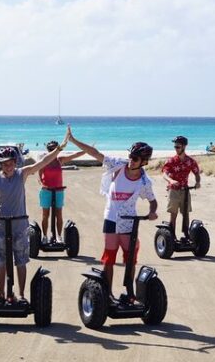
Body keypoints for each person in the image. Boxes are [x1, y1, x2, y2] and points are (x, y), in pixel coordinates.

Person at [67, 126, 157, 300]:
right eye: (130, 156)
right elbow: (95, 153)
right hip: (111, 218)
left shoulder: (145, 182)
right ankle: (106, 294)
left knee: (130, 259)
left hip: (129, 222)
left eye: (135, 158)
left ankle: (129, 292)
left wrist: (152, 212)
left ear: (144, 161)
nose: (131, 160)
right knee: (109, 258)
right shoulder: (118, 166)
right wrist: (74, 140)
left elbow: (153, 201)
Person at [0, 129, 69, 304]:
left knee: (21, 261)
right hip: (2, 224)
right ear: (0, 164)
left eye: (11, 163)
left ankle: (21, 295)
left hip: (20, 224)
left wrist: (58, 149)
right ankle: (1, 295)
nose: (8, 167)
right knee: (1, 262)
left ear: (15, 162)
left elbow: (43, 161)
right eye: (5, 164)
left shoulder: (22, 174)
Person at [38, 140, 86, 241]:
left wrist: (87, 150)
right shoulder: (44, 161)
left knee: (58, 214)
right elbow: (39, 175)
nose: (53, 151)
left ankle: (59, 236)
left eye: (55, 149)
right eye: (51, 149)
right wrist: (42, 184)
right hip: (46, 190)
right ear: (48, 150)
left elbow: (74, 155)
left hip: (59, 190)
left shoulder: (60, 160)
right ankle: (45, 236)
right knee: (45, 214)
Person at [162, 136, 201, 238]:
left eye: (178, 146)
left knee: (186, 214)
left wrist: (198, 182)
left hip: (185, 190)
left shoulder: (190, 161)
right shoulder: (171, 161)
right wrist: (170, 180)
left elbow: (196, 173)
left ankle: (186, 234)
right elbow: (164, 174)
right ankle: (172, 236)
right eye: (175, 147)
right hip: (173, 190)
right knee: (173, 214)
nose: (176, 148)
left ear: (184, 146)